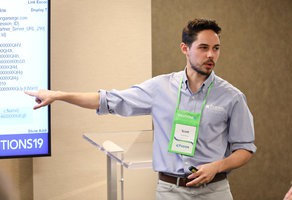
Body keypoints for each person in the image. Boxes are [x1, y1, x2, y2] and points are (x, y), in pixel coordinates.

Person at [25, 18, 256, 200]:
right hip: (170, 191)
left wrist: (218, 166)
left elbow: (245, 149)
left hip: (214, 192)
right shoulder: (160, 88)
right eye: (203, 47)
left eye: (216, 49)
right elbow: (108, 100)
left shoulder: (232, 97)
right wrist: (59, 95)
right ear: (185, 48)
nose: (211, 55)